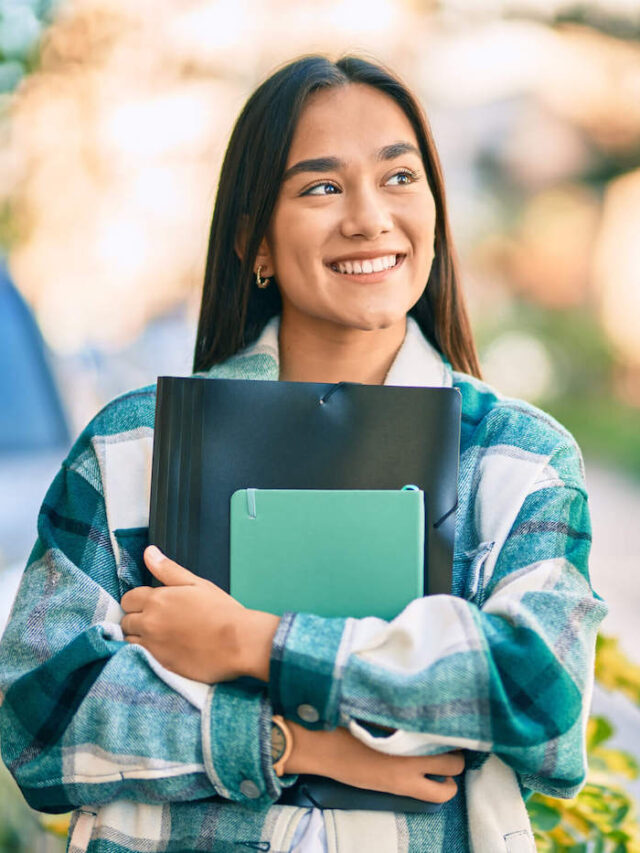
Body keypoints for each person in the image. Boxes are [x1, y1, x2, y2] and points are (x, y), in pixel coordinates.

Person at [0, 54, 606, 853]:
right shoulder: (134, 447)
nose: (368, 217)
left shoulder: (516, 459)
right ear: (254, 238)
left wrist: (251, 641)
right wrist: (289, 742)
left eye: (399, 178)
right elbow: (42, 721)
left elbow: (537, 695)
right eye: (321, 187)